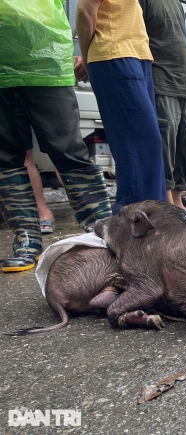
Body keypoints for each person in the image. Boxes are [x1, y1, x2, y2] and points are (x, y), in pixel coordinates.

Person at [0, 0, 112, 273]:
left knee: (68, 150)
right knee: (5, 156)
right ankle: (27, 240)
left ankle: (104, 231)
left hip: (45, 57)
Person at [77, 0, 166, 214]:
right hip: (114, 53)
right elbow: (85, 9)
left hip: (137, 56)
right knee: (138, 144)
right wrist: (88, 59)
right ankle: (133, 223)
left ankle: (156, 218)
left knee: (149, 145)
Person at [138, 0, 186, 211]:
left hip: (185, 81)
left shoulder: (176, 3)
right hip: (162, 78)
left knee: (184, 144)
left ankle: (179, 198)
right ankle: (167, 200)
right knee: (166, 140)